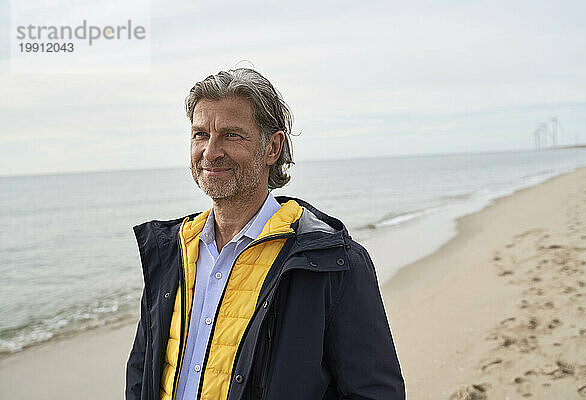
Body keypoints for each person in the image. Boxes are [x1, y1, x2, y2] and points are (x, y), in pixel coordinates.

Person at [125, 68, 405, 400]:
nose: (210, 151)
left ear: (273, 147)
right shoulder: (172, 251)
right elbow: (143, 377)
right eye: (200, 134)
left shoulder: (333, 260)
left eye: (231, 135)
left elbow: (375, 394)